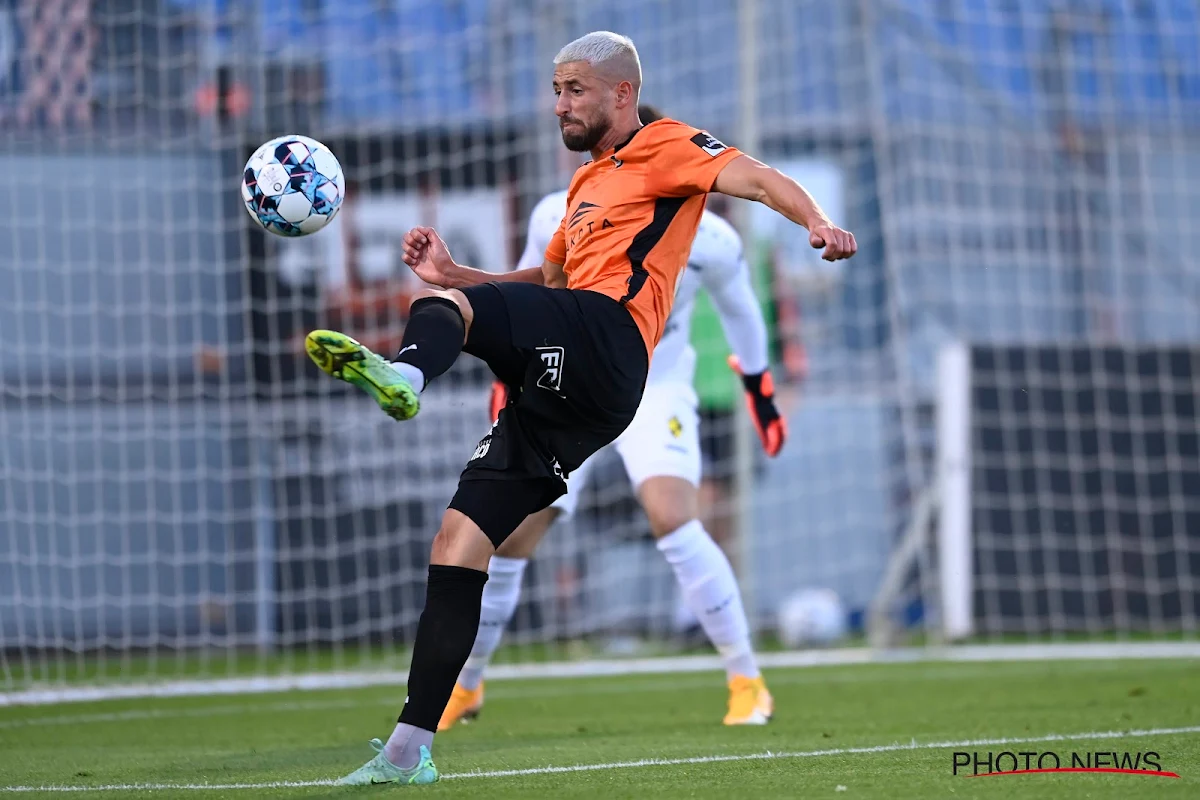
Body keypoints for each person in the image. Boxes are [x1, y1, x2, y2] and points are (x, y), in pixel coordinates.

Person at [304, 30, 856, 787]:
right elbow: (548, 283)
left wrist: (815, 222)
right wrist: (458, 271)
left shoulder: (664, 145)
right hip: (580, 389)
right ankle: (409, 751)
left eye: (575, 90)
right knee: (461, 540)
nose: (559, 103)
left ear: (621, 94)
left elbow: (757, 179)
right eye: (556, 90)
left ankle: (405, 378)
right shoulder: (582, 191)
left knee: (448, 314)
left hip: (613, 342)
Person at [437, 103, 786, 732]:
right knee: (514, 533)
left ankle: (746, 678)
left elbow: (743, 313)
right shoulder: (561, 210)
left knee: (673, 517)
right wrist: (505, 387)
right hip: (573, 385)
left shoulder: (713, 238)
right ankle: (466, 685)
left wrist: (759, 390)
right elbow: (531, 299)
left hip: (656, 388)